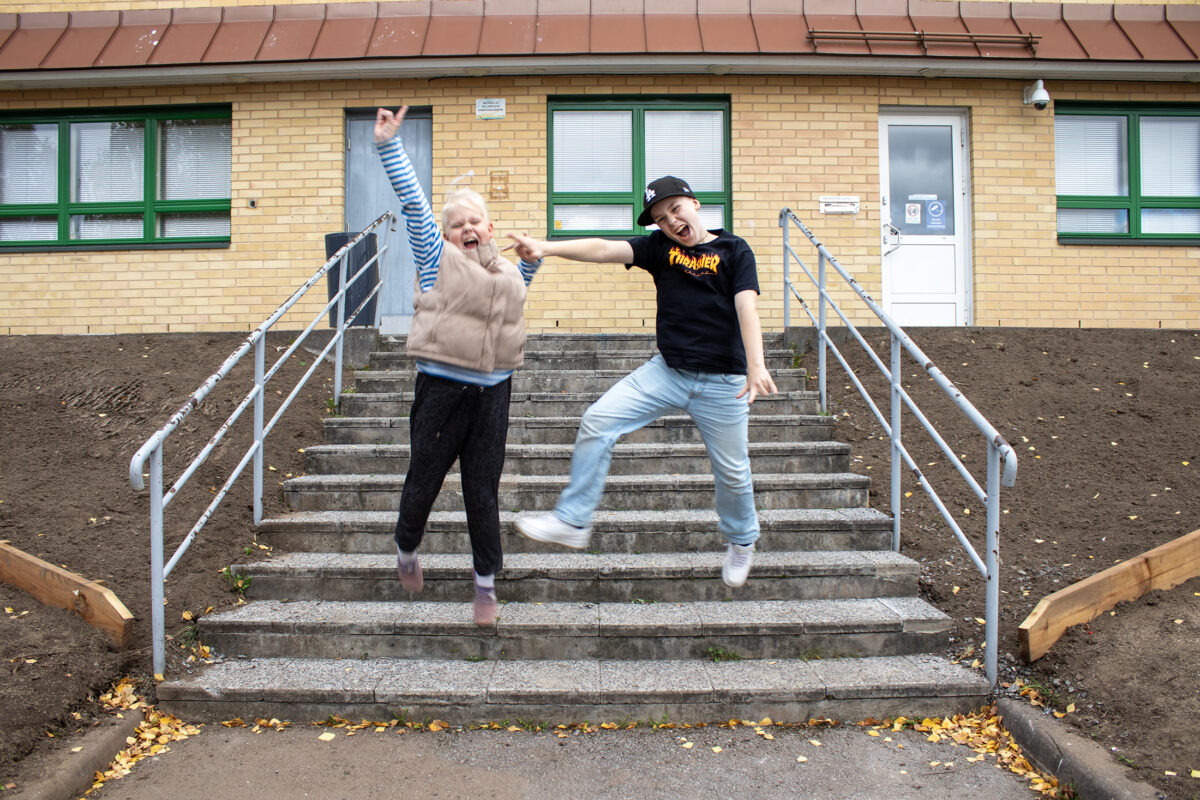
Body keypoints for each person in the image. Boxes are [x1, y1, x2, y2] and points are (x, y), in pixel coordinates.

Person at [510, 176, 776, 588]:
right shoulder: (657, 248)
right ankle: (573, 521)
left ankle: (742, 540)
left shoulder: (734, 249)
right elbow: (601, 248)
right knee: (598, 419)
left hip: (725, 381)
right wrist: (546, 247)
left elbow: (747, 306)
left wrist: (756, 364)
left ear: (694, 204)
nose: (671, 221)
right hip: (668, 372)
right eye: (660, 218)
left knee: (733, 472)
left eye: (675, 209)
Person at [375, 106, 541, 625]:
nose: (467, 228)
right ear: (445, 234)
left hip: (494, 393)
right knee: (423, 480)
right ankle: (406, 547)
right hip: (442, 390)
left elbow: (516, 302)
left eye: (475, 221)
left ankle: (486, 585)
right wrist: (388, 146)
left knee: (482, 491)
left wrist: (533, 261)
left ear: (490, 228)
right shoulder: (432, 255)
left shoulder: (507, 271)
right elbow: (415, 204)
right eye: (457, 224)